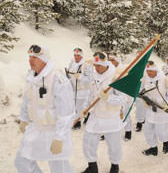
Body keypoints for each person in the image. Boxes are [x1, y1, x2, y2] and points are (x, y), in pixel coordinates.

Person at [15, 44, 75, 173]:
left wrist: (59, 137)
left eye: (35, 58)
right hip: (35, 130)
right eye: (29, 57)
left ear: (45, 60)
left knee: (60, 169)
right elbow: (27, 100)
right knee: (22, 161)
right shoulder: (31, 77)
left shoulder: (58, 80)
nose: (30, 60)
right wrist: (24, 119)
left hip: (53, 132)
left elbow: (66, 113)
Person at [81, 52, 124, 173]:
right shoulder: (94, 75)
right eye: (95, 65)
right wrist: (85, 109)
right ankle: (92, 167)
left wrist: (108, 98)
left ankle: (115, 166)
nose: (96, 68)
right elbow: (90, 94)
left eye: (99, 65)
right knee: (88, 140)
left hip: (112, 117)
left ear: (105, 64)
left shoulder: (116, 76)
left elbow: (123, 98)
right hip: (96, 115)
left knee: (114, 145)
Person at [141, 61, 168, 156]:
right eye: (147, 71)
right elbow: (142, 91)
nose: (149, 73)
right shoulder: (145, 79)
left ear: (156, 70)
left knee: (161, 132)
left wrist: (166, 104)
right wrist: (145, 100)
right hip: (150, 110)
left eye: (151, 71)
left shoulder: (166, 80)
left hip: (162, 111)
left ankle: (166, 141)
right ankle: (153, 148)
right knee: (148, 131)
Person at [67, 47, 92, 129]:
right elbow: (68, 72)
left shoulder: (86, 65)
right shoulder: (72, 63)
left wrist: (80, 77)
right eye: (75, 55)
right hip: (73, 89)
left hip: (82, 91)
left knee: (79, 107)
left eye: (78, 56)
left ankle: (77, 123)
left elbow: (89, 79)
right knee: (72, 107)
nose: (76, 57)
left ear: (81, 56)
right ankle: (81, 117)